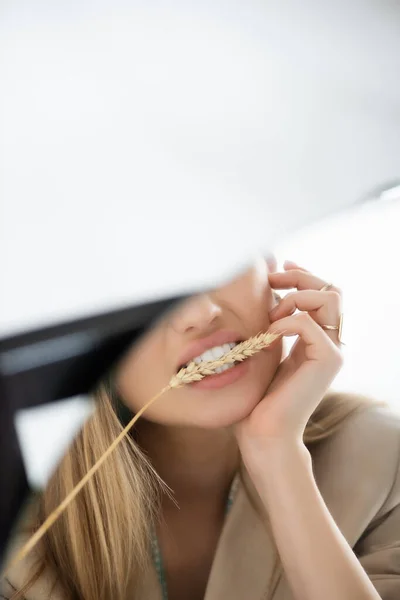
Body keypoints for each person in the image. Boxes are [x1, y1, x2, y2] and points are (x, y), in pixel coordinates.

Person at [2, 257, 400, 600]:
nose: (200, 312)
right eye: (143, 295)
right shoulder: (20, 520)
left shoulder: (383, 460)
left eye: (215, 259)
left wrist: (279, 459)